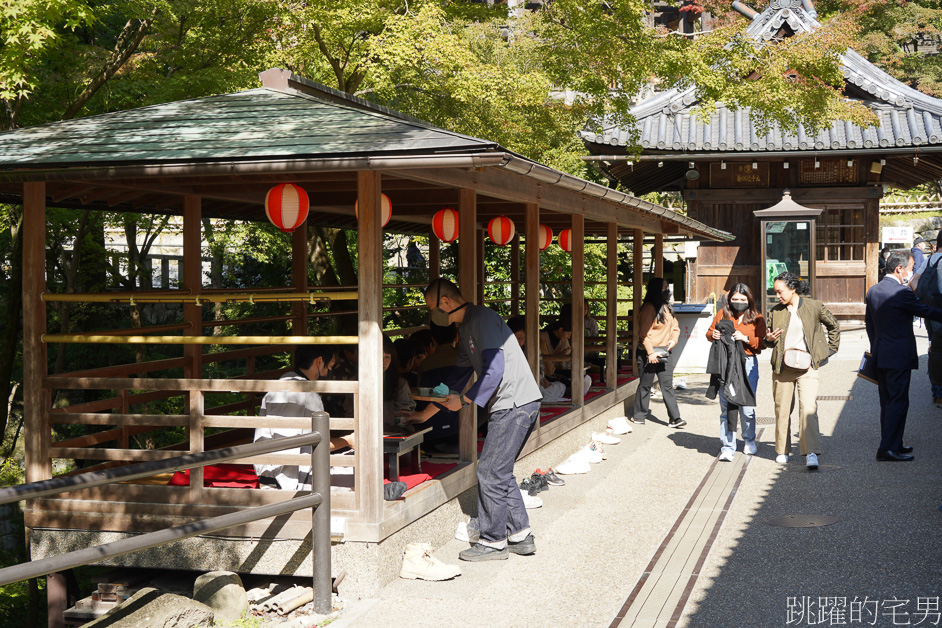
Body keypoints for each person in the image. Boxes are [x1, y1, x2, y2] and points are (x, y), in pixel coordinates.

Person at [403, 278, 542, 562]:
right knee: (500, 471)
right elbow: (458, 378)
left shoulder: (483, 319)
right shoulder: (466, 327)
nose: (432, 314)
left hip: (515, 403)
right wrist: (426, 410)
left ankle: (493, 542)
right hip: (515, 402)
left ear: (445, 303)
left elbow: (495, 369)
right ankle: (520, 534)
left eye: (431, 308)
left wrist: (466, 401)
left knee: (489, 471)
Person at [865, 250, 942, 461]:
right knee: (898, 402)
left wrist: (877, 347)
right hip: (898, 356)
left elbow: (869, 324)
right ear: (899, 269)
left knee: (888, 402)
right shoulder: (902, 292)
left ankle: (894, 444)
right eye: (911, 268)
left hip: (881, 354)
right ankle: (887, 449)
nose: (912, 272)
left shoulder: (873, 291)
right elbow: (926, 311)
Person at [764, 272, 840, 469]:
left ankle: (811, 452)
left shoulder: (814, 306)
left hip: (807, 367)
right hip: (783, 368)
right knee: (782, 410)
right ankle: (782, 450)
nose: (777, 296)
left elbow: (833, 325)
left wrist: (829, 350)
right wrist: (769, 340)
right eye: (775, 293)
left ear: (793, 289)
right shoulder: (775, 311)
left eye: (780, 292)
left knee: (808, 409)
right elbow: (768, 339)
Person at [254, 345, 349, 490]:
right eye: (329, 366)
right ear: (319, 362)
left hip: (266, 474)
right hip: (293, 479)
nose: (327, 373)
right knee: (353, 473)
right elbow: (323, 445)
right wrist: (349, 440)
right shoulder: (310, 396)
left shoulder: (273, 389)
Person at [706, 284, 767, 461]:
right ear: (729, 299)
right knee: (727, 406)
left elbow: (763, 343)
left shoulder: (757, 318)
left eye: (742, 299)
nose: (738, 302)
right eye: (735, 299)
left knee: (746, 406)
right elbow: (709, 333)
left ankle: (749, 440)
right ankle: (727, 446)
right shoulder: (722, 314)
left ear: (749, 300)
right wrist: (714, 335)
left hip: (747, 363)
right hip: (725, 363)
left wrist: (746, 338)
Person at [631, 277, 685, 428]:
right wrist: (650, 352)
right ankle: (639, 415)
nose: (667, 290)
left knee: (667, 385)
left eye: (667, 287)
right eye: (664, 288)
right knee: (646, 384)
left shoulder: (667, 307)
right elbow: (643, 334)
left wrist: (673, 340)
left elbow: (676, 327)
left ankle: (675, 418)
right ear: (656, 290)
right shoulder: (648, 308)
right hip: (647, 353)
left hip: (665, 351)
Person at [911, 235, 942, 407]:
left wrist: (924, 301)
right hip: (940, 312)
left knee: (934, 349)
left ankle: (936, 390)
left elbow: (913, 282)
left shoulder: (929, 260)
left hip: (930, 312)